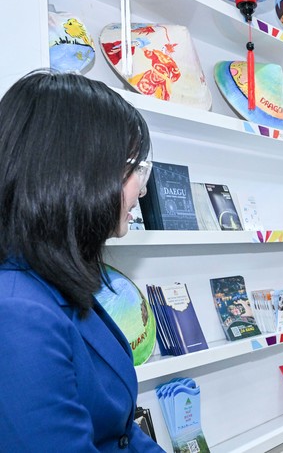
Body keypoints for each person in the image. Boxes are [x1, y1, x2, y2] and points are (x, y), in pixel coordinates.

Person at [0, 70, 163, 451]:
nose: (141, 189)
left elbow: (121, 432)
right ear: (80, 172)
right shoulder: (17, 314)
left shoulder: (58, 279)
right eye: (134, 168)